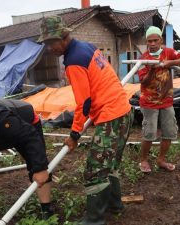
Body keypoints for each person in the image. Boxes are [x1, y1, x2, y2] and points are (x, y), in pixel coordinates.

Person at [38, 16, 134, 225]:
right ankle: (114, 205)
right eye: (45, 44)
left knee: (94, 170)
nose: (49, 48)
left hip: (112, 117)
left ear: (63, 37)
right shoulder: (86, 47)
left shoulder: (74, 61)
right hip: (123, 110)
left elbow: (84, 103)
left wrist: (74, 135)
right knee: (109, 165)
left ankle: (94, 220)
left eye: (50, 43)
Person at [137, 26, 180, 173]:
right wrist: (152, 70)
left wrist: (170, 63)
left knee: (169, 132)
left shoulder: (168, 52)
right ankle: (143, 160)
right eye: (150, 41)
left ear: (161, 40)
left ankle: (161, 160)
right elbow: (143, 82)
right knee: (149, 133)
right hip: (149, 102)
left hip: (166, 100)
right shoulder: (143, 59)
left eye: (155, 40)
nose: (153, 44)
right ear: (147, 42)